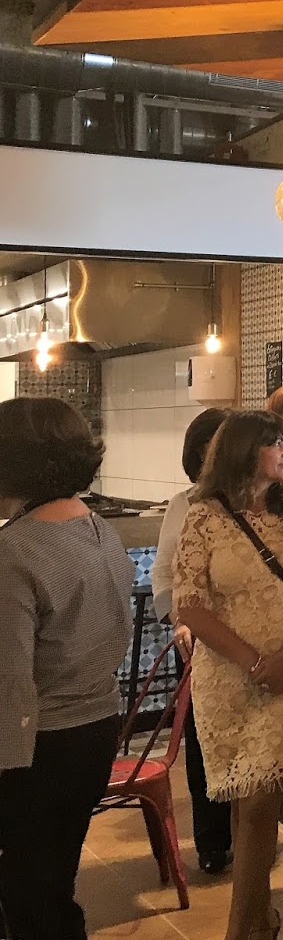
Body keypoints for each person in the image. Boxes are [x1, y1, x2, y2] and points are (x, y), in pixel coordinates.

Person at [174, 411, 283, 940]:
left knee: (262, 798)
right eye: (277, 444)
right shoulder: (203, 516)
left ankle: (241, 928)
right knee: (244, 798)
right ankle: (260, 918)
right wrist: (253, 660)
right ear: (244, 451)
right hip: (227, 675)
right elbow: (189, 604)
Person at [0, 398, 134, 940]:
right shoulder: (99, 529)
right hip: (96, 730)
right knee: (53, 881)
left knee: (28, 895)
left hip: (34, 745)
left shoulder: (15, 550)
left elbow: (10, 679)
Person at [151, 407, 234, 875]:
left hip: (259, 641)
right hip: (203, 643)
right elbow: (165, 575)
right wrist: (180, 621)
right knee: (204, 742)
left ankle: (254, 831)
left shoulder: (267, 501)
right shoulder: (184, 505)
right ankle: (213, 841)